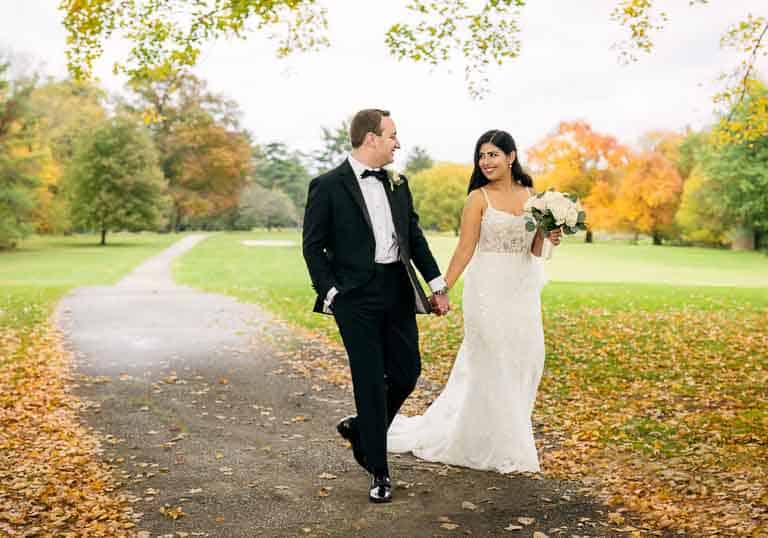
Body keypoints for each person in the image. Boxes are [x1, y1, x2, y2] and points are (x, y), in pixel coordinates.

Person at [388, 129, 561, 474]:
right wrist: (442, 289)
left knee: (525, 360)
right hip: (486, 291)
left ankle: (503, 436)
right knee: (492, 359)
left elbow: (536, 251)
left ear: (511, 157)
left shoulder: (534, 197)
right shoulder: (477, 199)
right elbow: (465, 249)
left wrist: (549, 233)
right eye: (481, 156)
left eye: (493, 154)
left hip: (522, 292)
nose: (486, 161)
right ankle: (499, 446)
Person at [302, 109, 450, 503]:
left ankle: (362, 428)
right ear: (370, 138)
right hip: (354, 299)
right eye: (392, 136)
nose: (397, 143)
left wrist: (437, 285)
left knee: (407, 372)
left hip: (396, 288)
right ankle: (379, 471)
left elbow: (414, 238)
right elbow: (312, 246)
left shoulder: (398, 184)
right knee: (369, 379)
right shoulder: (327, 185)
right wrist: (332, 293)